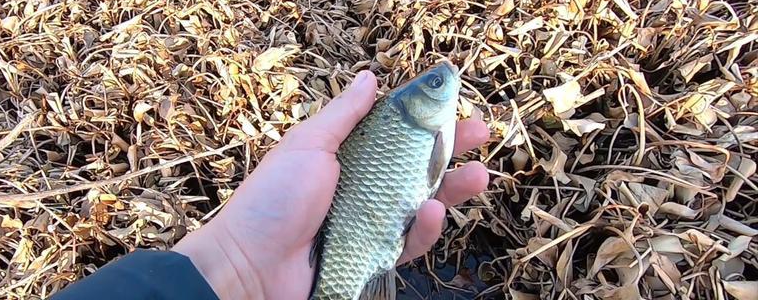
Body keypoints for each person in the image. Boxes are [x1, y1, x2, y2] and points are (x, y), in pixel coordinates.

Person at [53, 70, 490, 299]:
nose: (444, 80)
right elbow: (434, 172)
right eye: (434, 83)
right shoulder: (414, 126)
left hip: (359, 246)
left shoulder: (413, 125)